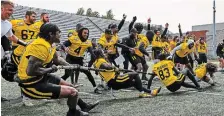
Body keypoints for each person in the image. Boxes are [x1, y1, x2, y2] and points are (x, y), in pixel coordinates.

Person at [15, 23, 98, 116]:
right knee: (73, 92)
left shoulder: (50, 44)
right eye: (58, 33)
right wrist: (50, 69)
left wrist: (70, 65)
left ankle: (84, 106)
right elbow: (30, 72)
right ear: (51, 34)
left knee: (71, 86)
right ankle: (73, 113)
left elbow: (57, 59)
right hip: (31, 84)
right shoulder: (40, 46)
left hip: (40, 77)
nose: (60, 35)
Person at [93, 48, 161, 98]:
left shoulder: (96, 62)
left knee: (134, 82)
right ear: (100, 54)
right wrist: (114, 68)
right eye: (102, 52)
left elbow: (98, 71)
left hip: (113, 79)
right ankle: (142, 93)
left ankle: (151, 92)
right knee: (134, 74)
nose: (104, 53)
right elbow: (107, 67)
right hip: (114, 80)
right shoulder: (100, 61)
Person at [1, 0, 27, 101]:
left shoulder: (8, 24)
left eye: (12, 10)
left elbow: (11, 37)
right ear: (1, 8)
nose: (11, 12)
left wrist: (25, 44)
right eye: (9, 10)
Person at [60, 26, 99, 94]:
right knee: (67, 74)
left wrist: (97, 60)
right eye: (85, 33)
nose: (86, 35)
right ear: (81, 32)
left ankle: (95, 88)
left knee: (88, 72)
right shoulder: (74, 38)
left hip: (79, 59)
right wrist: (65, 47)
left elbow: (92, 53)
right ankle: (56, 85)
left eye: (87, 33)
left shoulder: (88, 42)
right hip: (70, 58)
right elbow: (63, 44)